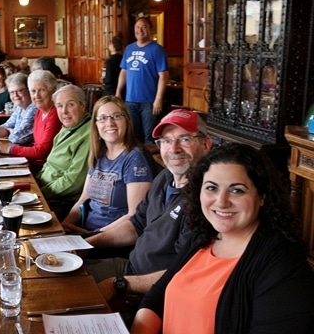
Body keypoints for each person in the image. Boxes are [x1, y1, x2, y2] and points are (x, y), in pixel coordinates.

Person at [131, 144, 314, 333]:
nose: (221, 202)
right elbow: (157, 296)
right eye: (211, 188)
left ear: (262, 197)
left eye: (237, 190)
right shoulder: (201, 237)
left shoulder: (284, 267)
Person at [83, 109, 212, 299]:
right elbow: (136, 225)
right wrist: (86, 244)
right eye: (167, 141)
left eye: (185, 139)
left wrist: (120, 284)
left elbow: (185, 272)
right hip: (130, 267)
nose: (174, 149)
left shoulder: (205, 199)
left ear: (206, 144)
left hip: (150, 291)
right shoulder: (165, 177)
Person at [60, 96, 155, 232]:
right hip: (84, 232)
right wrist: (62, 227)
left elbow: (134, 215)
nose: (109, 123)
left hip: (110, 240)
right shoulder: (99, 154)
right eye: (102, 118)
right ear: (96, 125)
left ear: (127, 121)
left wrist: (93, 235)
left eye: (116, 116)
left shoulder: (135, 158)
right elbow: (83, 199)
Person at [35, 85, 92, 220]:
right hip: (46, 192)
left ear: (83, 106)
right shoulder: (68, 127)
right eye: (59, 106)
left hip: (62, 203)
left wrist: (38, 194)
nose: (64, 111)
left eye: (70, 105)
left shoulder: (89, 134)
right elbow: (49, 164)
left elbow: (74, 181)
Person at [0, 70, 61, 172]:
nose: (37, 96)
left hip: (44, 168)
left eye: (42, 90)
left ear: (52, 90)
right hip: (31, 161)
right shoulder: (40, 111)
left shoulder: (54, 113)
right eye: (33, 91)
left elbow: (42, 152)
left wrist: (10, 149)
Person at [116, 17, 169, 144]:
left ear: (150, 29)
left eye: (144, 26)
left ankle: (148, 163)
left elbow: (164, 76)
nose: (140, 30)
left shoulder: (157, 49)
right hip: (130, 100)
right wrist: (118, 92)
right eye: (137, 27)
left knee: (149, 137)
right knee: (132, 135)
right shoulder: (129, 48)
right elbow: (124, 71)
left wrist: (158, 99)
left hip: (149, 102)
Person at [0, 73, 37, 146]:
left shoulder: (33, 108)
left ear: (29, 90)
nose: (15, 95)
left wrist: (10, 131)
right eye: (12, 92)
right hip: (17, 150)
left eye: (19, 91)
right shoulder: (20, 108)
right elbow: (6, 126)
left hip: (29, 153)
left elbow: (17, 138)